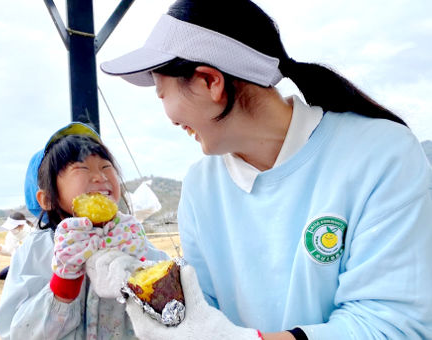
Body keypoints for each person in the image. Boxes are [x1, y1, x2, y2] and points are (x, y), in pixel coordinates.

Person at [99, 0, 432, 339]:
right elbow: (204, 311)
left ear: (209, 81)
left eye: (162, 95)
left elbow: (392, 324)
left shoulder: (381, 154)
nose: (169, 118)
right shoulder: (201, 187)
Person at [0, 122, 168, 339]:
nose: (100, 177)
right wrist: (63, 284)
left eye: (106, 167)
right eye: (81, 168)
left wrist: (138, 266)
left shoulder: (132, 240)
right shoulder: (37, 250)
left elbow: (172, 309)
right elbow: (17, 333)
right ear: (48, 198)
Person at [0, 212, 34, 280]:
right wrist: (0, 248)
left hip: (31, 264)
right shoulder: (10, 235)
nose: (11, 230)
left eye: (13, 227)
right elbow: (10, 251)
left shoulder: (32, 233)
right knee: (2, 275)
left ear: (22, 225)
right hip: (17, 263)